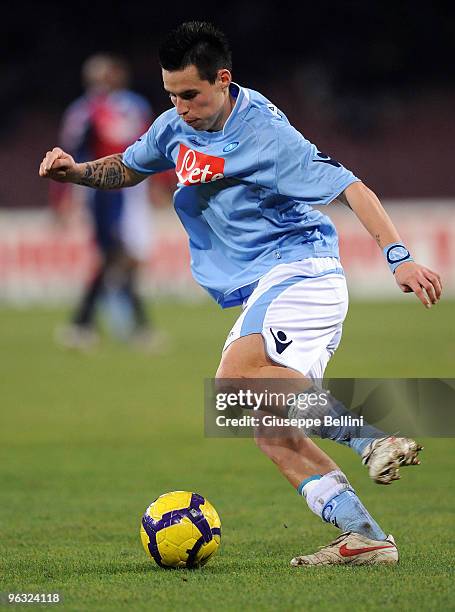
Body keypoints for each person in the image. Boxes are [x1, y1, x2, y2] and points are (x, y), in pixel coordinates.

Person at [39, 22, 442, 566]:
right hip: (263, 284)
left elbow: (352, 186)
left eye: (191, 95)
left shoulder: (266, 134)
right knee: (264, 424)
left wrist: (399, 257)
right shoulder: (174, 128)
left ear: (222, 80)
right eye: (171, 95)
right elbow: (126, 169)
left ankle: (371, 439)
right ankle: (365, 538)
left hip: (303, 268)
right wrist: (76, 173)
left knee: (234, 379)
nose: (180, 107)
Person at [52, 53, 164, 350]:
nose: (106, 80)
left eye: (110, 74)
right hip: (102, 191)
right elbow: (70, 153)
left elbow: (152, 146)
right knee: (114, 256)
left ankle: (88, 323)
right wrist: (64, 196)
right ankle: (120, 325)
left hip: (133, 190)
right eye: (100, 75)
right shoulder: (84, 112)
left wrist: (157, 184)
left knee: (129, 259)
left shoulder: (135, 106)